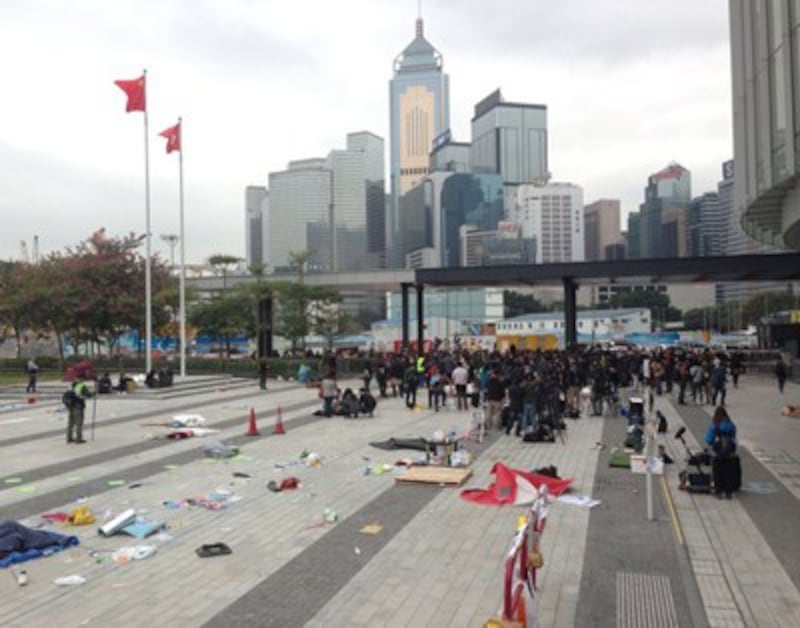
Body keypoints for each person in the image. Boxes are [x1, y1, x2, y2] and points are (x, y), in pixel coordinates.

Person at [704, 406, 739, 499]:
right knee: (728, 472)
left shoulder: (714, 425)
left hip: (718, 454)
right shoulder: (731, 425)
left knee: (717, 473)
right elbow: (734, 437)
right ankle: (728, 492)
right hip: (730, 454)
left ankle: (718, 492)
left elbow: (708, 440)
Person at [64, 376, 92, 444]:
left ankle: (69, 438)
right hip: (78, 406)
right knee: (79, 423)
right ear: (81, 378)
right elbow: (88, 395)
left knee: (70, 423)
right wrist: (92, 393)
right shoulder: (82, 386)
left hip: (70, 406)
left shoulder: (71, 385)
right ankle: (78, 439)